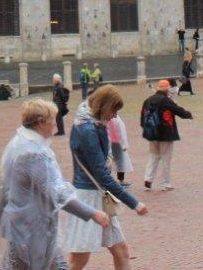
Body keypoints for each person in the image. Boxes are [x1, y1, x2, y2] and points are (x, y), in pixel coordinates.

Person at [0, 99, 109, 270]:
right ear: (41, 122)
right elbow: (57, 193)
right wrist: (92, 213)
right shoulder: (34, 154)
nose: (56, 124)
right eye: (53, 120)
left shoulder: (18, 143)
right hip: (32, 229)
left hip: (22, 225)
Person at [60, 86, 147, 270]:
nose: (114, 116)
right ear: (103, 106)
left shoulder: (93, 125)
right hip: (88, 198)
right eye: (113, 110)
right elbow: (102, 175)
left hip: (99, 196)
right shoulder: (87, 130)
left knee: (121, 251)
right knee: (78, 260)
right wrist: (134, 203)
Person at [139, 79, 193, 191]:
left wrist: (147, 129)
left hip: (152, 133)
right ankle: (166, 183)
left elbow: (142, 118)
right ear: (167, 89)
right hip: (165, 133)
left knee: (153, 156)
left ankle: (148, 179)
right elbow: (178, 111)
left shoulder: (148, 100)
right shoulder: (166, 100)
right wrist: (188, 115)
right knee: (166, 158)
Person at [106, 111, 132, 186]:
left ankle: (119, 180)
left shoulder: (116, 119)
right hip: (111, 142)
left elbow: (122, 131)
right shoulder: (112, 118)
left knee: (118, 161)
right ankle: (109, 181)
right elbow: (122, 131)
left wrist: (124, 144)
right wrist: (124, 144)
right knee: (111, 161)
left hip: (115, 142)